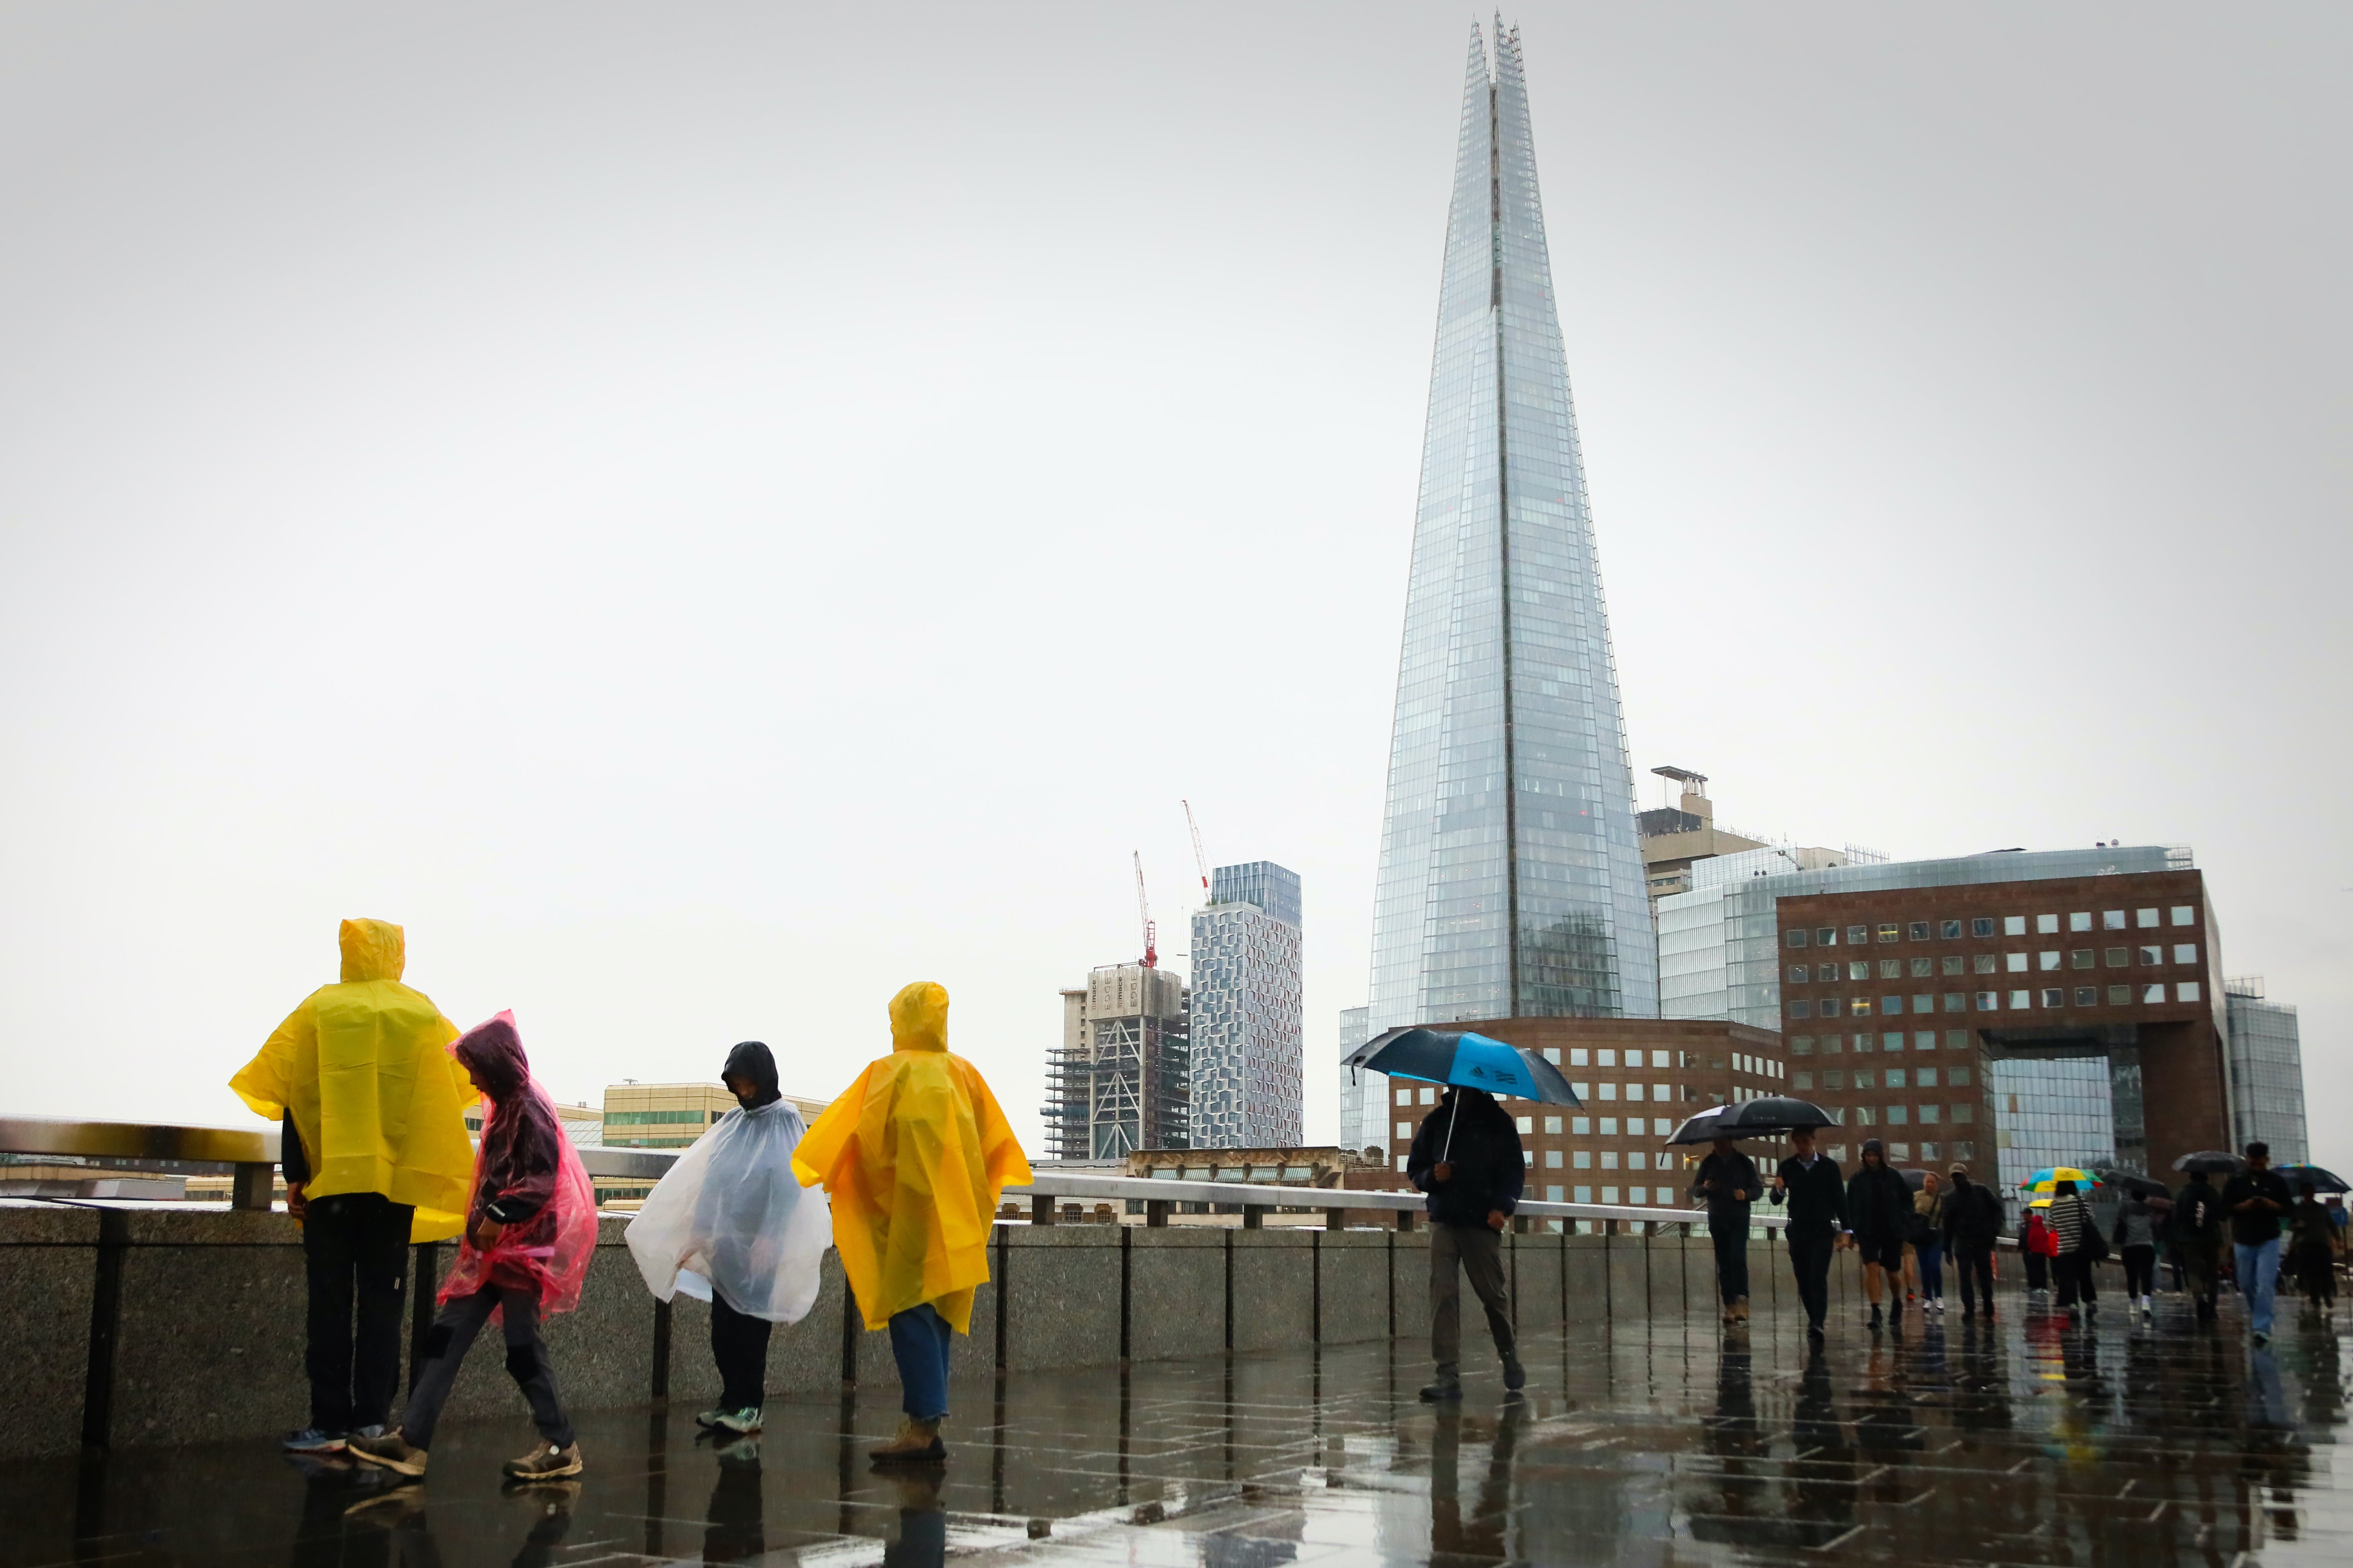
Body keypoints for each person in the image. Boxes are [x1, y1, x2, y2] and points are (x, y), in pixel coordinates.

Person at [229, 918, 477, 1454]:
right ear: (397, 955)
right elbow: (457, 1078)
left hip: (331, 1186)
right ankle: (372, 1419)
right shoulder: (420, 1013)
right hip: (391, 1190)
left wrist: (295, 1172)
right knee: (383, 1303)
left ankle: (328, 1421)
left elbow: (295, 1094)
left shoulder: (318, 1010)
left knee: (330, 1302)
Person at [350, 1012, 596, 1480]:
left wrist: (498, 1215)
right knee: (445, 1338)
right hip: (493, 1252)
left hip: (521, 1254)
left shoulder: (527, 1107)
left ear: (495, 1065)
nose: (471, 1077)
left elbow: (540, 1178)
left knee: (521, 1348)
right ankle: (411, 1441)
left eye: (475, 1067)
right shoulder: (507, 1106)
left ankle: (562, 1444)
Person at [793, 982, 1031, 1463]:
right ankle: (927, 1419)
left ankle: (922, 1426)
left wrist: (824, 1172)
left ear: (902, 1021)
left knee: (908, 1308)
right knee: (936, 1310)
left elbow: (858, 1135)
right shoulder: (964, 1074)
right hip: (955, 1220)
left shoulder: (888, 1072)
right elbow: (994, 1145)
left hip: (905, 1215)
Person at [626, 1041, 833, 1436]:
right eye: (735, 1080)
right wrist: (702, 1229)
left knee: (751, 1330)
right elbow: (712, 1178)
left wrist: (770, 1238)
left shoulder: (785, 1120)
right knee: (723, 1329)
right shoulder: (734, 1123)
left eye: (746, 1078)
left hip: (761, 1247)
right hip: (727, 1244)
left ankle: (750, 1407)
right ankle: (730, 1401)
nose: (742, 1087)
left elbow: (790, 1184)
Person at [1406, 1082, 1526, 1399]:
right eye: (1453, 1082)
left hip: (1482, 1222)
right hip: (1445, 1220)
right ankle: (1447, 1374)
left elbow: (1514, 1170)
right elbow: (1415, 1168)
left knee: (1493, 1297)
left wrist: (1503, 1207)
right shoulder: (1437, 1122)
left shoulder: (1498, 1122)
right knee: (1443, 1294)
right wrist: (1433, 1176)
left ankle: (1509, 1355)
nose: (1457, 1087)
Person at [1768, 1126, 1847, 1339]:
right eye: (1798, 1142)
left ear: (1813, 1140)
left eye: (1806, 1141)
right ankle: (1814, 1318)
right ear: (1794, 1143)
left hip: (1822, 1230)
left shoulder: (1829, 1167)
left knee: (1817, 1276)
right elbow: (1775, 1200)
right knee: (1803, 1279)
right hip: (1798, 1230)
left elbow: (1840, 1199)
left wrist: (1847, 1230)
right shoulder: (1787, 1167)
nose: (1802, 1146)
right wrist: (1780, 1189)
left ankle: (1818, 1322)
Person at [2222, 1142, 2293, 1344]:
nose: (2256, 1168)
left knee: (2265, 1283)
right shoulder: (2235, 1181)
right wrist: (2242, 1207)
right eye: (2252, 1164)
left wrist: (2272, 1205)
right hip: (2243, 1239)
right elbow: (2224, 1209)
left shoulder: (2276, 1181)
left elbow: (2289, 1209)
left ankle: (2262, 1327)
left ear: (2266, 1160)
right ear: (2248, 1160)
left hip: (2268, 1238)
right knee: (2245, 1283)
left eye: (2259, 1164)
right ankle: (2259, 1316)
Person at [1692, 1136, 1762, 1325]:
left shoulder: (1744, 1162)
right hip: (1717, 1217)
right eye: (1716, 1143)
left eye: (1722, 1142)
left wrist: (1746, 1195)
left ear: (1731, 1142)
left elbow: (1758, 1189)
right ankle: (1729, 1305)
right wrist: (1705, 1188)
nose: (1718, 1146)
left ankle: (1742, 1300)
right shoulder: (1709, 1162)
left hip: (1739, 1217)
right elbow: (1696, 1190)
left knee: (1738, 1257)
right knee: (1724, 1262)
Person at [1845, 1140, 1911, 1331]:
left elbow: (1908, 1201)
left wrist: (1903, 1220)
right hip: (1867, 1231)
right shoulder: (1857, 1179)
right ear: (1864, 1157)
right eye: (1868, 1155)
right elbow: (1850, 1206)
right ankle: (1876, 1310)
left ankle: (1897, 1301)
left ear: (1881, 1156)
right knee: (1871, 1267)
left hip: (1891, 1230)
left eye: (1874, 1155)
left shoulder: (1893, 1176)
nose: (1871, 1158)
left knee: (1892, 1271)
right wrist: (1851, 1230)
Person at [1941, 1164, 2001, 1321]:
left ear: (1966, 1175)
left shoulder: (1981, 1191)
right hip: (1963, 1243)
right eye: (1954, 1176)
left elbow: (1997, 1210)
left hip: (1983, 1241)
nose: (1957, 1179)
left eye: (1960, 1175)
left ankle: (1988, 1302)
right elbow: (1947, 1225)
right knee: (1965, 1277)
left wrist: (1994, 1231)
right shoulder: (1949, 1198)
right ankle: (1969, 1308)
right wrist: (1947, 1248)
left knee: (1985, 1276)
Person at [2172, 1168, 2227, 1321]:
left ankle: (2199, 1299)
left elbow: (2176, 1218)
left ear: (2191, 1177)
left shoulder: (2183, 1193)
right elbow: (2222, 1216)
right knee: (2212, 1273)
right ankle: (2212, 1306)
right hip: (2211, 1238)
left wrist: (2176, 1238)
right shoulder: (2213, 1192)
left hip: (2189, 1240)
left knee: (2193, 1272)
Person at [2046, 1179, 2098, 1322]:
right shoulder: (2080, 1202)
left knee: (2069, 1279)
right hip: (2082, 1247)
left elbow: (2054, 1225)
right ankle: (2090, 1303)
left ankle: (2073, 1305)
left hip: (2065, 1249)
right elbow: (2091, 1220)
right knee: (2085, 1276)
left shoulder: (2054, 1205)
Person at [2286, 1183, 2338, 1313]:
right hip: (2305, 1246)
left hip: (2321, 1244)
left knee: (2326, 1272)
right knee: (2310, 1274)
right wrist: (2298, 1225)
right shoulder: (2298, 1209)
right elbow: (2290, 1225)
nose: (2311, 1195)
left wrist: (2338, 1238)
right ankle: (2315, 1298)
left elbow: (2331, 1224)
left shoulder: (2322, 1209)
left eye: (2313, 1192)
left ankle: (2327, 1295)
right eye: (2308, 1192)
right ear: (2304, 1194)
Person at [2112, 1188, 2160, 1321]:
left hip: (2129, 1248)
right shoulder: (2150, 1211)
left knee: (2132, 1276)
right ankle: (2146, 1303)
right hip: (2147, 1247)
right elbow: (2156, 1230)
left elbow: (2119, 1225)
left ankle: (2133, 1304)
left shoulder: (2125, 1209)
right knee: (2146, 1276)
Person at [1909, 1171, 1947, 1315]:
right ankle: (1928, 1298)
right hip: (1921, 1235)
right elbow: (1909, 1211)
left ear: (1937, 1184)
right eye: (1927, 1182)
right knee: (1924, 1267)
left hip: (1937, 1234)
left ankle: (1939, 1296)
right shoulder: (1917, 1196)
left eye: (1932, 1182)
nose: (1929, 1184)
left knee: (1934, 1265)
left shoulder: (1942, 1199)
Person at [2022, 1204, 2054, 1296]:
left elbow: (2030, 1241)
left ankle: (2036, 1287)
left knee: (2035, 1270)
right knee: (2043, 1270)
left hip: (2034, 1253)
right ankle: (2043, 1287)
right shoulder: (2044, 1231)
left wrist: (2030, 1248)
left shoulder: (2033, 1230)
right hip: (2043, 1254)